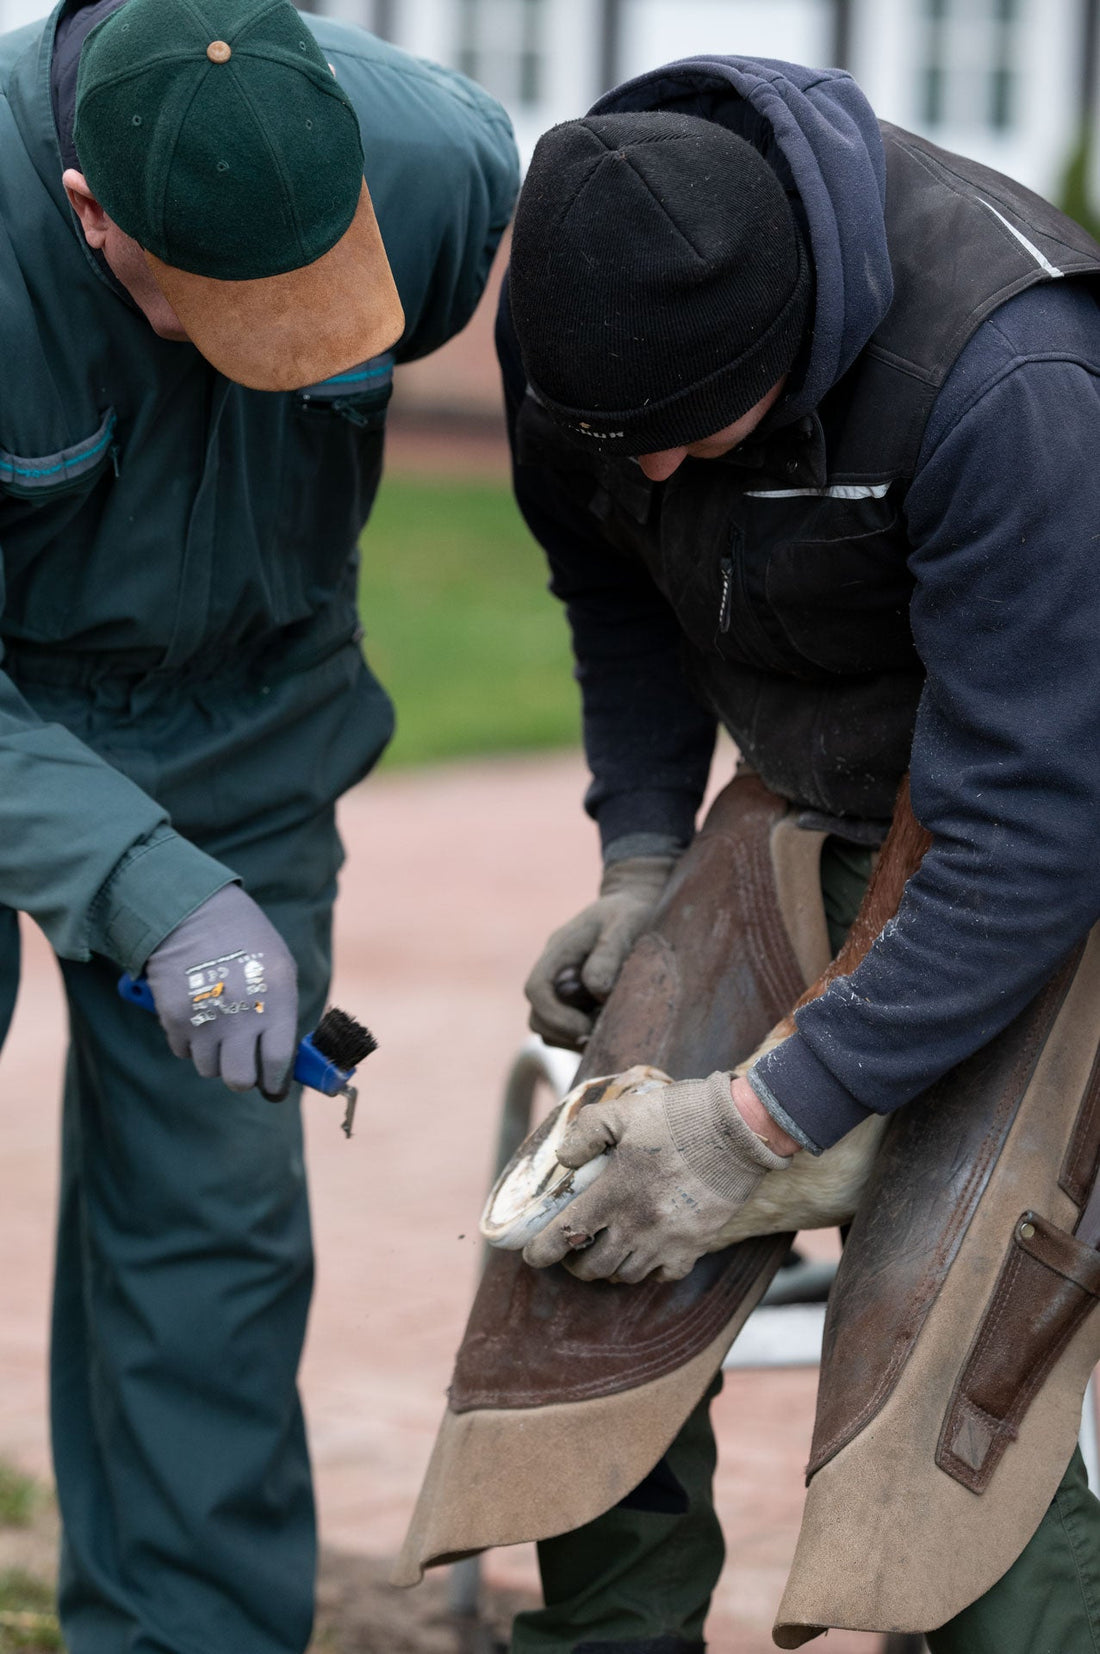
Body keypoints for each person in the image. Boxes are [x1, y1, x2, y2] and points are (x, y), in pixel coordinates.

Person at [494, 52, 1100, 1654]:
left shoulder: (1013, 375)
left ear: (800, 345)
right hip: (805, 793)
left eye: (699, 438)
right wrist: (638, 857)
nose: (661, 475)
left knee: (959, 1334)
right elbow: (612, 589)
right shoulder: (584, 313)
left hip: (1044, 837)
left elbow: (1029, 834)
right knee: (587, 1234)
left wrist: (765, 1118)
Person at [0, 0, 517, 1648]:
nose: (295, 346)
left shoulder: (438, 175)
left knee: (212, 1235)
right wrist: (142, 880)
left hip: (248, 716)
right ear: (91, 213)